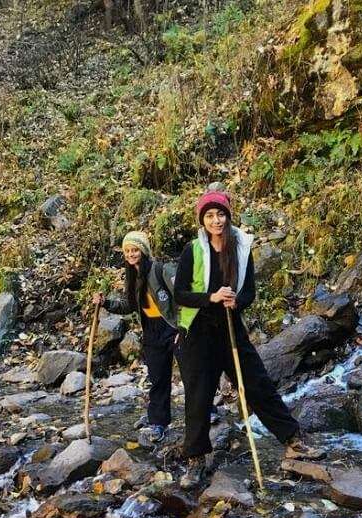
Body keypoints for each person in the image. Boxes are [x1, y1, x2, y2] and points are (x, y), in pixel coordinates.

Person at [174, 189, 322, 488]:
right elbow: (180, 295)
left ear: (228, 216)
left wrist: (235, 302)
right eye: (210, 216)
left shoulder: (241, 248)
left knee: (258, 384)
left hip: (231, 328)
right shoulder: (193, 250)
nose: (216, 220)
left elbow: (250, 292)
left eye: (221, 214)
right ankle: (196, 459)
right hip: (198, 333)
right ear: (202, 220)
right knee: (199, 396)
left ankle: (293, 440)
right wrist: (211, 297)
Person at [93, 231, 177, 443]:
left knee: (192, 374)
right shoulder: (132, 277)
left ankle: (208, 410)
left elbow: (183, 298)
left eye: (135, 250)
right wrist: (105, 303)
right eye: (128, 251)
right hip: (151, 331)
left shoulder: (160, 270)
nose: (131, 254)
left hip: (173, 328)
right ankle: (158, 422)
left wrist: (183, 328)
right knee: (158, 378)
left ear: (144, 250)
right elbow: (128, 306)